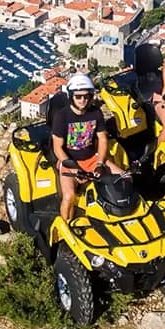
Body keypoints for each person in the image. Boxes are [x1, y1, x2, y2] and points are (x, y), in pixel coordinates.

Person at [51, 74, 126, 222]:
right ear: (71, 96)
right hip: (70, 162)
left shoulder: (95, 113)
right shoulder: (62, 116)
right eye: (78, 97)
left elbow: (103, 139)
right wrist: (73, 168)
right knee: (69, 196)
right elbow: (57, 148)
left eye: (86, 96)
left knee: (125, 178)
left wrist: (100, 163)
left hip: (92, 159)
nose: (82, 100)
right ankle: (67, 226)